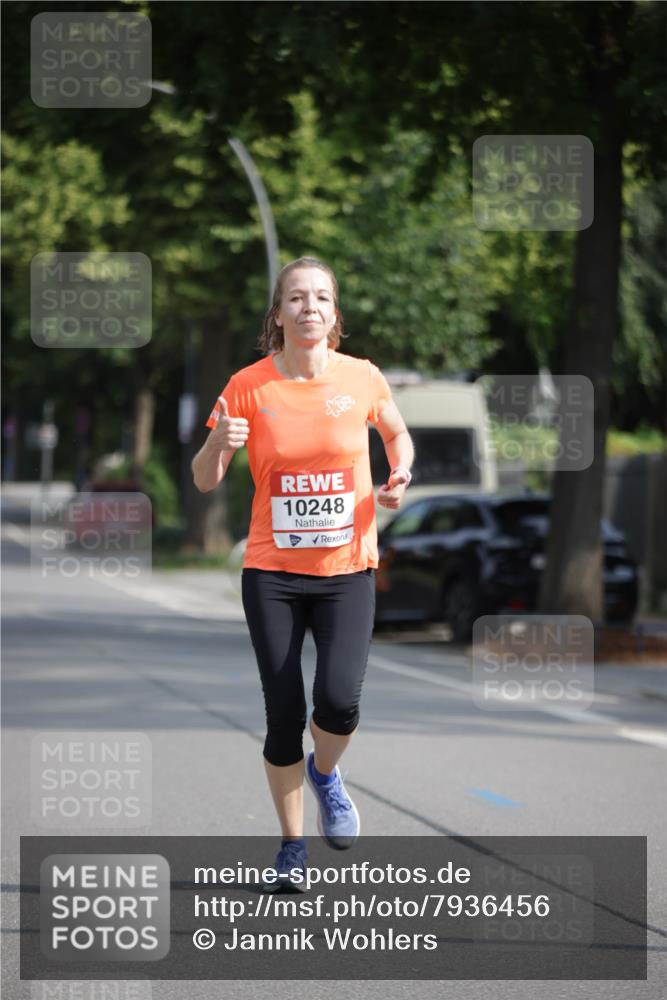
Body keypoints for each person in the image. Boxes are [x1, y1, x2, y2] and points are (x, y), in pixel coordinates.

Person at [192, 256, 414, 890]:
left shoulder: (363, 377)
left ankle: (325, 774)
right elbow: (206, 480)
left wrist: (399, 472)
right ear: (279, 314)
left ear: (334, 313)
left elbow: (397, 436)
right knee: (283, 711)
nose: (309, 306)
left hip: (347, 569)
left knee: (339, 703)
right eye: (296, 297)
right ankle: (292, 846)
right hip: (273, 573)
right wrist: (218, 443)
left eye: (321, 297)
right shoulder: (247, 385)